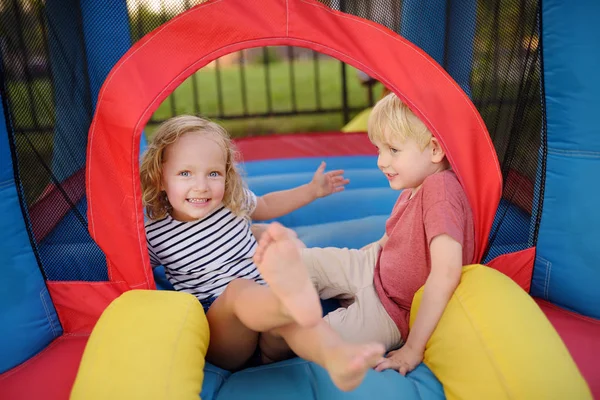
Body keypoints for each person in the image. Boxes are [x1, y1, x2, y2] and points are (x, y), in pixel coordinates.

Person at [140, 115, 384, 392]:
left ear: (227, 174)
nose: (201, 186)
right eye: (185, 173)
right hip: (225, 335)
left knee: (291, 319)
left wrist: (312, 190)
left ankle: (338, 357)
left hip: (269, 327)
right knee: (241, 290)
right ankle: (289, 300)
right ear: (160, 178)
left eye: (213, 173)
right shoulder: (154, 232)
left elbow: (266, 204)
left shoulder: (231, 203)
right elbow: (132, 269)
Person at [257, 92, 475, 376]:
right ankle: (276, 302)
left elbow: (446, 272)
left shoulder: (440, 192)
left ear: (435, 150)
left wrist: (413, 348)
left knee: (305, 335)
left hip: (393, 313)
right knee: (299, 262)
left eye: (393, 150)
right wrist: (355, 261)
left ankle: (263, 359)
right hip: (372, 268)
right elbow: (392, 236)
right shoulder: (419, 183)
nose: (381, 162)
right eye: (378, 150)